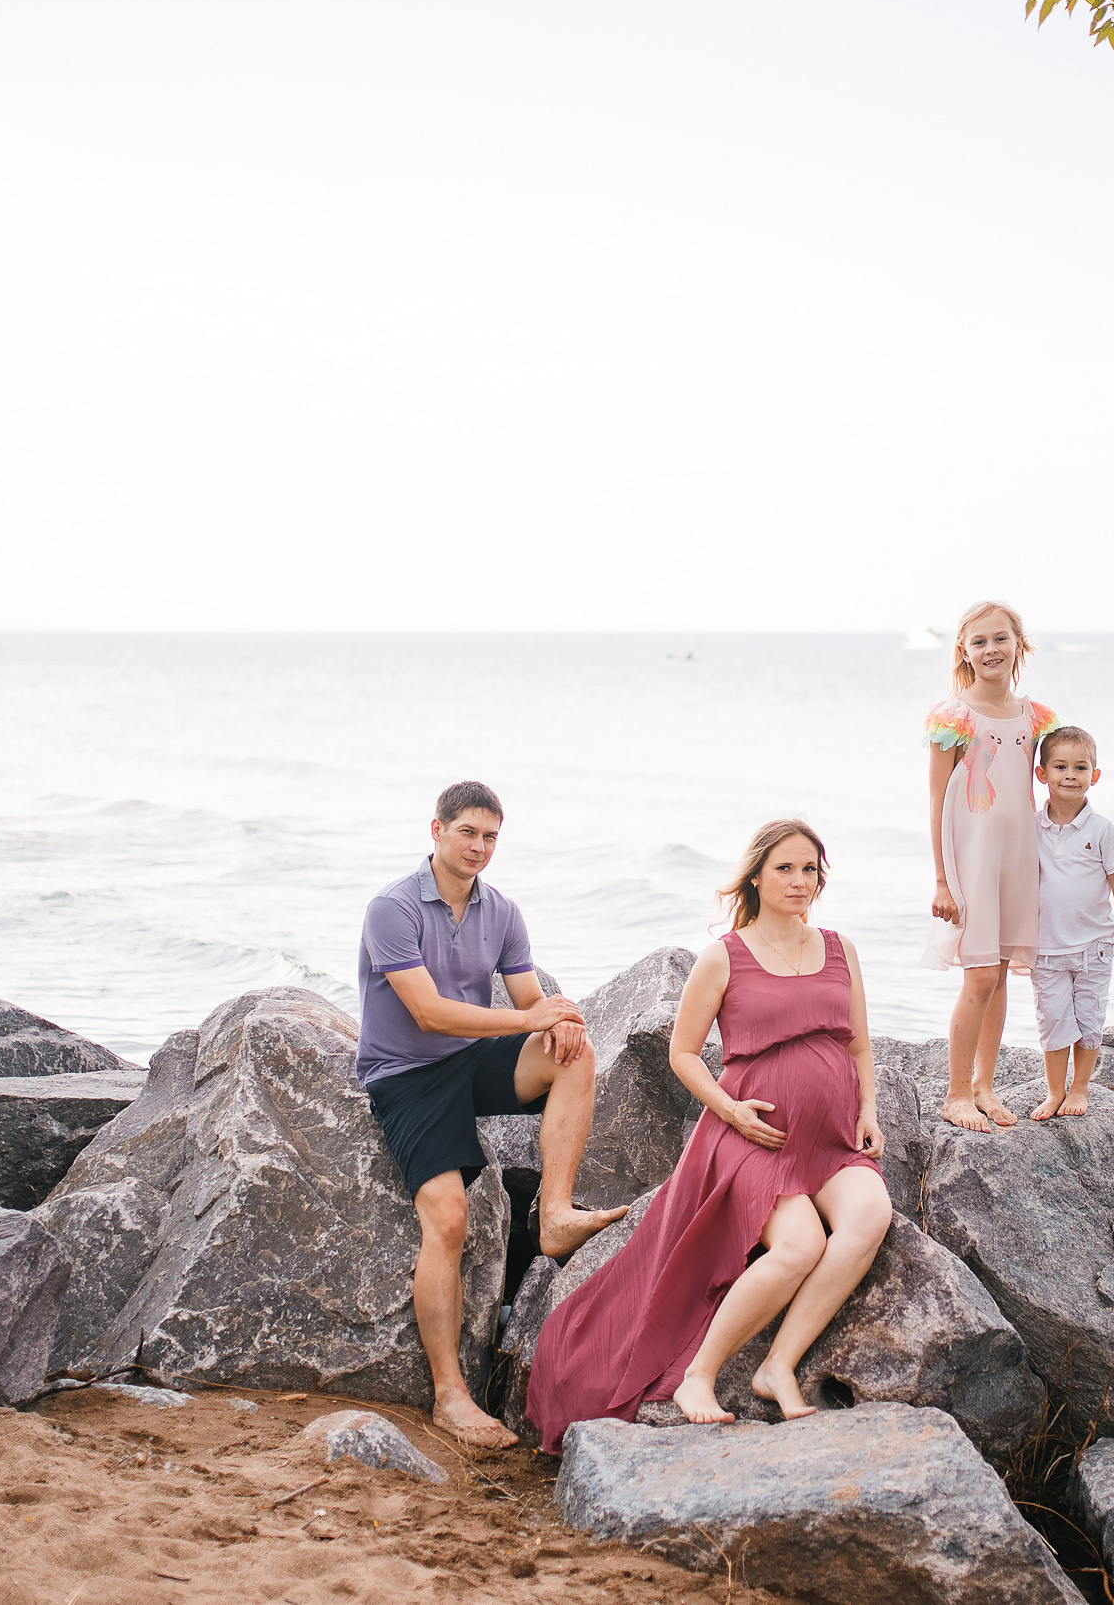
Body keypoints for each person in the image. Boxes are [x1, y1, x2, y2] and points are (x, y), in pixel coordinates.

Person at [524, 819, 892, 1442]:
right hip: (753, 1138)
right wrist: (731, 1111)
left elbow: (857, 1044)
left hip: (830, 1139)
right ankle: (700, 1374)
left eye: (810, 869)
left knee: (869, 1217)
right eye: (785, 868)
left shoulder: (839, 948)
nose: (800, 881)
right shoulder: (726, 955)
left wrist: (869, 1111)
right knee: (799, 1246)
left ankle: (778, 1366)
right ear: (755, 874)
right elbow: (683, 1054)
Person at [356, 780, 627, 1450]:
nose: (479, 847)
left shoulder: (501, 911)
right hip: (408, 1074)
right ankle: (451, 1395)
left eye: (490, 836)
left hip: (473, 1061)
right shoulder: (392, 908)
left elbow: (532, 998)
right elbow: (427, 1011)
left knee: (576, 1054)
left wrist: (558, 1021)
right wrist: (528, 1016)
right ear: (437, 829)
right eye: (467, 832)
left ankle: (556, 1212)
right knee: (448, 1216)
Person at [926, 600, 1058, 1132]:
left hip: (1019, 860)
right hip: (972, 859)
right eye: (979, 642)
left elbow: (1049, 787)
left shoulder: (1035, 717)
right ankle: (956, 1093)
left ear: (1018, 645)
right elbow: (936, 801)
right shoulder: (954, 717)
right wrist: (941, 878)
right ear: (964, 650)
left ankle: (985, 1084)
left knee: (1000, 974)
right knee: (978, 974)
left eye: (1000, 639)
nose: (990, 650)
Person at [1026, 726, 1114, 1120]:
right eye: (1060, 766)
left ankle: (1079, 1088)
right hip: (1045, 948)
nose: (1070, 775)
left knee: (1089, 1019)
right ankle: (1053, 1091)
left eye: (1080, 768)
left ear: (1094, 776)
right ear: (1041, 773)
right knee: (1053, 1021)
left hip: (1093, 946)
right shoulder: (1030, 828)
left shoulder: (1102, 830)